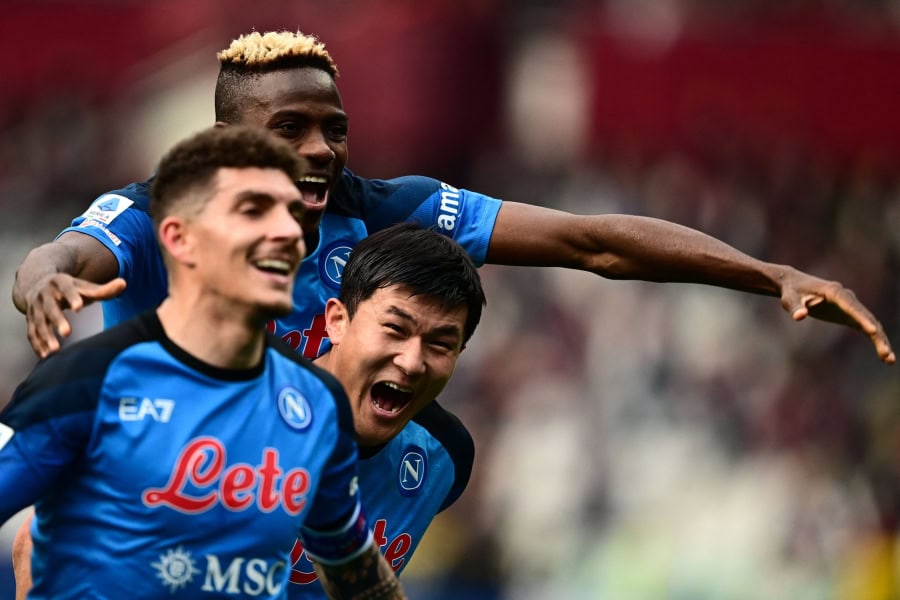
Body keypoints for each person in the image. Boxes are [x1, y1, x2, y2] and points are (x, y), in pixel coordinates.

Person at [11, 30, 894, 367]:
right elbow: (62, 257)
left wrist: (767, 270)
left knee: (438, 453)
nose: (322, 147)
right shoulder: (154, 212)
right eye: (292, 131)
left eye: (335, 125)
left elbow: (592, 243)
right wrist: (46, 278)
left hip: (299, 492)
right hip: (162, 484)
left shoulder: (387, 207)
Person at [1, 124, 405, 600]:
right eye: (253, 211)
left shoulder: (317, 404)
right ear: (180, 238)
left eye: (292, 212)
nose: (286, 232)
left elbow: (357, 574)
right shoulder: (85, 381)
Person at [12, 222, 483, 599]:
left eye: (441, 343)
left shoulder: (442, 460)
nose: (413, 361)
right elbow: (37, 541)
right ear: (337, 320)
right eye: (394, 329)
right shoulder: (223, 402)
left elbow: (360, 581)